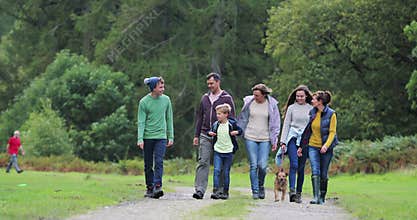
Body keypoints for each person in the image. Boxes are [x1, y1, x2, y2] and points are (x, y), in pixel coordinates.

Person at [192, 72, 236, 200]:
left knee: (221, 165)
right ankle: (199, 189)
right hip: (205, 134)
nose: (210, 86)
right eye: (208, 84)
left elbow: (232, 119)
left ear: (218, 82)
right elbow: (200, 117)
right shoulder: (205, 98)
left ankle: (220, 190)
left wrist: (231, 133)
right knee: (203, 161)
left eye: (212, 83)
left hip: (222, 136)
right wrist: (196, 135)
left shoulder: (226, 98)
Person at [237, 83, 281, 199]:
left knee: (262, 165)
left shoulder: (271, 105)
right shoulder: (249, 102)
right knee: (254, 165)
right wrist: (239, 131)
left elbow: (276, 123)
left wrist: (274, 139)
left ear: (264, 95)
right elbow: (242, 118)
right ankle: (255, 191)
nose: (255, 97)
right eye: (254, 94)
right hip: (250, 136)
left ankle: (261, 186)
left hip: (265, 138)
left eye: (257, 95)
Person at [137, 76, 174, 199]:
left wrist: (171, 136)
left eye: (163, 86)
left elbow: (169, 118)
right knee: (148, 164)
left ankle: (158, 186)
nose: (163, 89)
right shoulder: (144, 102)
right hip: (148, 137)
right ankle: (149, 187)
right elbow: (141, 121)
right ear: (153, 88)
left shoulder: (166, 100)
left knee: (159, 161)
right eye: (160, 87)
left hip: (161, 137)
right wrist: (140, 138)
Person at [300, 91, 338, 204]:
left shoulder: (332, 114)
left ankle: (322, 196)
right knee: (315, 170)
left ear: (320, 101)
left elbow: (332, 132)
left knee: (323, 173)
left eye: (314, 99)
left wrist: (326, 146)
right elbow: (308, 130)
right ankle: (315, 197)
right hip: (313, 146)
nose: (311, 101)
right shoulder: (312, 112)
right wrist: (302, 146)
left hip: (326, 148)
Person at [279, 85, 313, 203]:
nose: (299, 98)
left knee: (301, 167)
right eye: (297, 96)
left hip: (305, 139)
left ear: (306, 96)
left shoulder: (311, 108)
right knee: (294, 164)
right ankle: (292, 191)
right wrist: (283, 141)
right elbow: (286, 124)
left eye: (302, 96)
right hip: (292, 137)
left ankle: (298, 193)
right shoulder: (291, 108)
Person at [208, 103, 242, 200]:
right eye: (217, 114)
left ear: (226, 114)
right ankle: (216, 191)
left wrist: (237, 132)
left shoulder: (231, 124)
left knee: (226, 172)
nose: (217, 116)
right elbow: (210, 131)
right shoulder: (216, 124)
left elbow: (240, 131)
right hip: (218, 151)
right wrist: (210, 133)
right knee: (217, 170)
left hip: (228, 152)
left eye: (219, 114)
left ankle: (225, 192)